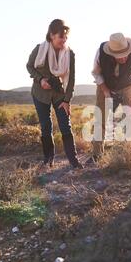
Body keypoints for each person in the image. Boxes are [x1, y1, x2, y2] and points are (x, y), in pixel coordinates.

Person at [26, 19, 83, 169]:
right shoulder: (40, 49)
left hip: (59, 95)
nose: (63, 40)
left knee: (65, 126)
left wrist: (67, 100)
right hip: (40, 94)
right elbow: (29, 66)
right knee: (46, 126)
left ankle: (73, 160)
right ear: (51, 35)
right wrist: (40, 79)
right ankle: (48, 160)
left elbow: (71, 79)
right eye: (60, 36)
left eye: (65, 37)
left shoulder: (69, 53)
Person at [87, 33, 131, 164]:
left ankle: (130, 154)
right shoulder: (101, 53)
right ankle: (96, 154)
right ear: (111, 53)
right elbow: (95, 73)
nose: (124, 58)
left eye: (125, 54)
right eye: (119, 56)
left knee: (130, 119)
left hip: (127, 86)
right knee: (100, 118)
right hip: (105, 84)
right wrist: (105, 90)